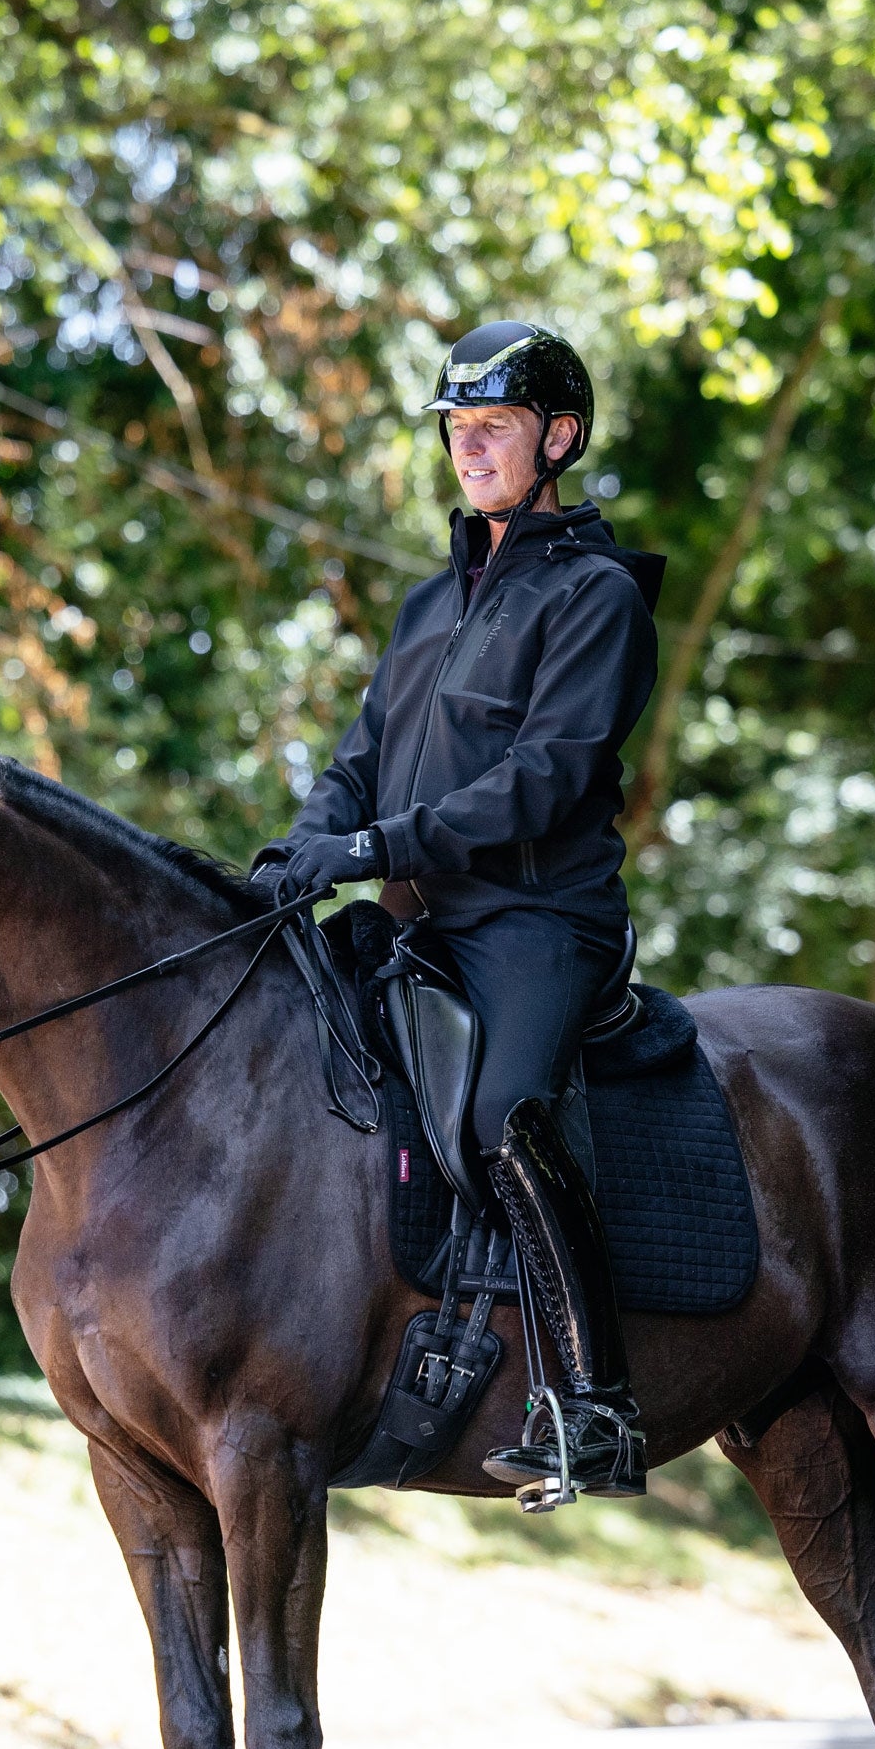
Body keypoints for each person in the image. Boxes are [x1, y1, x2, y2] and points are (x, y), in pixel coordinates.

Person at [250, 320, 661, 1497]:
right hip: (419, 914)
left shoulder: (596, 599)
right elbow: (362, 750)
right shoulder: (429, 604)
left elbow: (546, 778)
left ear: (558, 438)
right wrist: (305, 840)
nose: (469, 450)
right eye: (456, 431)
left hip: (535, 920)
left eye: (492, 429)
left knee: (505, 1115)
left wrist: (372, 843)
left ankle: (594, 1405)